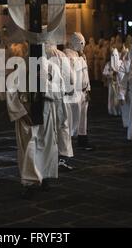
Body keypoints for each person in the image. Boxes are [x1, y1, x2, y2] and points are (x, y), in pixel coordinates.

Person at [6, 44, 61, 199]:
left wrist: (45, 84)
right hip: (26, 113)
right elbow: (11, 92)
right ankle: (29, 182)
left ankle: (45, 177)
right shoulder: (20, 68)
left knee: (46, 145)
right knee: (29, 148)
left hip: (46, 112)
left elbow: (60, 90)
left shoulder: (52, 68)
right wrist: (22, 113)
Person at [46, 43, 75, 171]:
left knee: (47, 128)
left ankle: (47, 159)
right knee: (62, 126)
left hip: (44, 100)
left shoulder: (35, 54)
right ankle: (62, 158)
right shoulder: (61, 55)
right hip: (60, 97)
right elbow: (70, 77)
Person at [64, 32, 93, 151]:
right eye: (81, 44)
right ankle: (67, 142)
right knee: (71, 119)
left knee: (82, 118)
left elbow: (85, 74)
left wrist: (88, 89)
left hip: (83, 92)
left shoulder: (79, 55)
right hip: (73, 92)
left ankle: (82, 138)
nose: (83, 46)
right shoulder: (67, 55)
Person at [103, 48, 122, 116]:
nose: (115, 57)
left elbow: (123, 72)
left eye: (116, 55)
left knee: (119, 96)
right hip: (112, 83)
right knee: (112, 96)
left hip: (119, 83)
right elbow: (105, 73)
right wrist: (111, 74)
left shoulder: (120, 63)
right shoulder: (108, 64)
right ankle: (112, 110)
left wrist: (118, 73)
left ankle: (119, 110)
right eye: (113, 55)